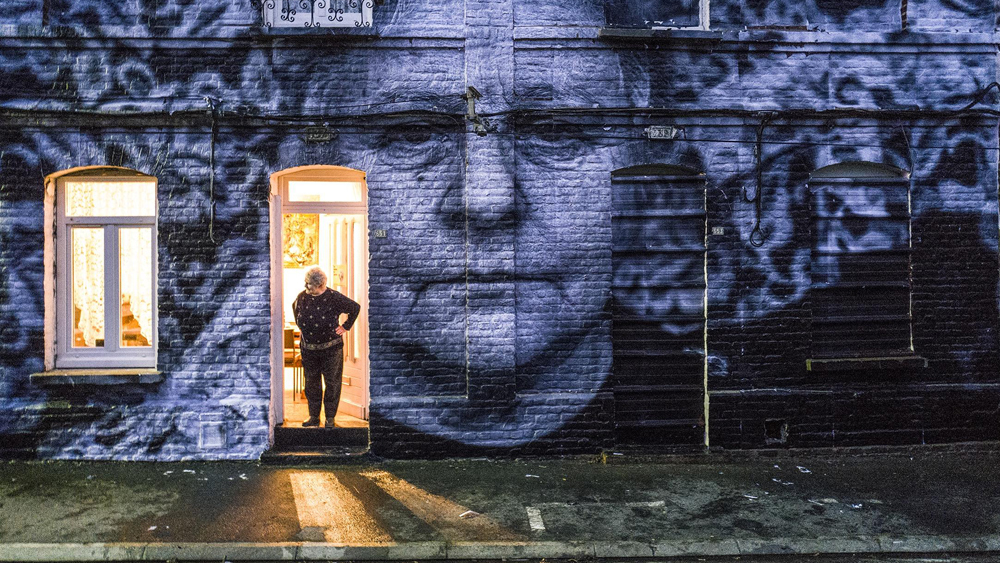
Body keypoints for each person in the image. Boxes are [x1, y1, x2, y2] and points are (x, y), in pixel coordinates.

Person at [292, 266, 361, 428]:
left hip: (331, 350)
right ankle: (313, 417)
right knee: (311, 383)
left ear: (320, 285)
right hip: (309, 349)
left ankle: (330, 418)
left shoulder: (333, 297)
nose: (305, 286)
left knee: (332, 383)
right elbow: (295, 310)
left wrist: (345, 326)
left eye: (309, 284)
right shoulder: (302, 297)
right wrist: (303, 327)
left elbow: (355, 308)